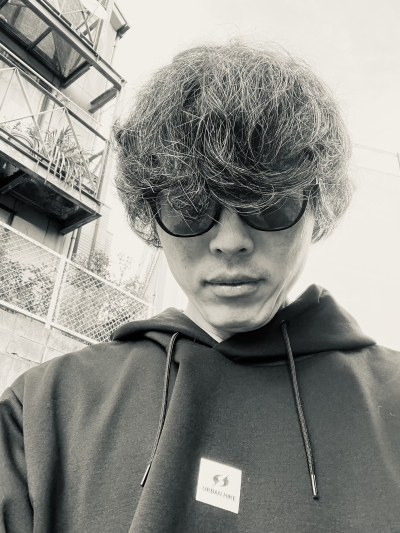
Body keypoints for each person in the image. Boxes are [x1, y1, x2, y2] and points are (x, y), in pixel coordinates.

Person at [0, 42, 399, 533]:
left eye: (267, 202)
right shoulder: (40, 412)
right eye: (189, 207)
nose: (230, 241)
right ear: (151, 216)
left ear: (318, 206)